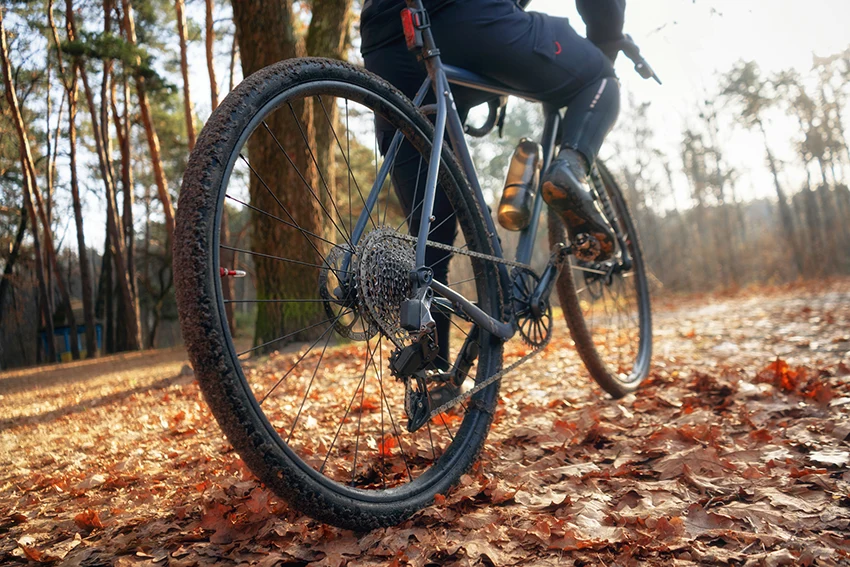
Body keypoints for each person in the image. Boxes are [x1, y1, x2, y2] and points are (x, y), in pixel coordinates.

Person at [361, 0, 624, 372]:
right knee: (600, 79)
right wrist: (607, 40)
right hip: (468, 20)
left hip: (384, 40)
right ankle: (569, 167)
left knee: (431, 234)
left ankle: (432, 375)